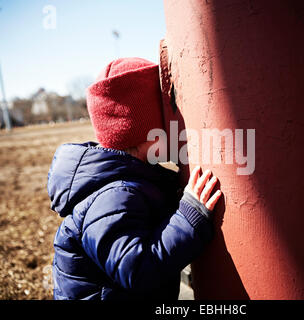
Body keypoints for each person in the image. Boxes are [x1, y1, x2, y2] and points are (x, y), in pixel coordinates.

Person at [47, 57, 222, 300]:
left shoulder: (131, 181)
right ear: (145, 132)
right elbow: (137, 271)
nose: (176, 126)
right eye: (167, 118)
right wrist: (188, 217)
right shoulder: (113, 196)